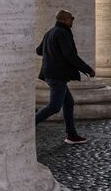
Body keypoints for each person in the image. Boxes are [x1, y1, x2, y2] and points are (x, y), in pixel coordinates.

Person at [35, 9, 95, 144]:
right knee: (55, 106)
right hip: (57, 75)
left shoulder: (50, 32)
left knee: (68, 103)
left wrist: (51, 52)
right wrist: (87, 69)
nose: (72, 20)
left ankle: (72, 135)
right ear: (64, 19)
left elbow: (39, 51)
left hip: (51, 73)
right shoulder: (63, 33)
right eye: (71, 18)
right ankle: (28, 123)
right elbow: (70, 55)